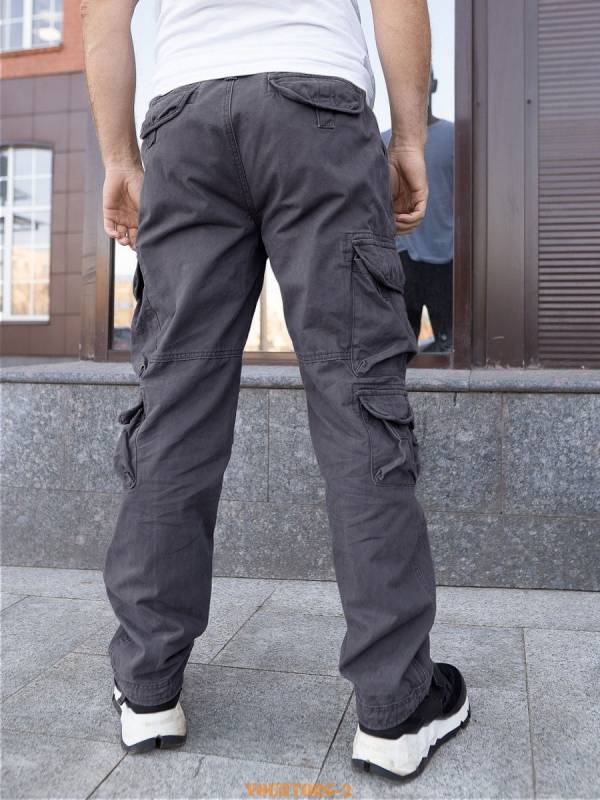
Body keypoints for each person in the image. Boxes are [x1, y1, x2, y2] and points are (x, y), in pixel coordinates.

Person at [81, 0, 469, 780]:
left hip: (184, 120)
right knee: (358, 402)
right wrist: (409, 138)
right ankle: (394, 708)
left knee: (174, 408)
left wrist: (119, 157)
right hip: (317, 107)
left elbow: (101, 20)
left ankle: (149, 688)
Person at [383, 71, 454, 353]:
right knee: (399, 350)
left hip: (447, 258)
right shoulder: (384, 142)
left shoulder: (455, 137)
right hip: (400, 257)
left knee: (449, 348)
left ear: (434, 85)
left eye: (424, 78)